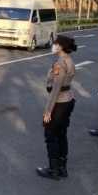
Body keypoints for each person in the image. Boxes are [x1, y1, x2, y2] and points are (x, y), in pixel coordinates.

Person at [36, 34, 77, 180]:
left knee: (51, 136)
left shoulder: (60, 64)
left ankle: (53, 170)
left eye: (56, 43)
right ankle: (62, 168)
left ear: (60, 46)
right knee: (61, 134)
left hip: (59, 103)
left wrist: (48, 111)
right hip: (68, 101)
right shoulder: (69, 61)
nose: (54, 45)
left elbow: (56, 88)